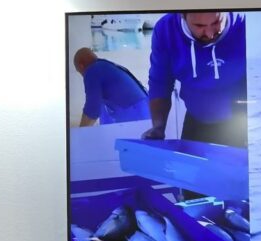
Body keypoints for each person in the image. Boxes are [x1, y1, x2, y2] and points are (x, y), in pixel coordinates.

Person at [141, 11, 247, 147]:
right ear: (182, 15)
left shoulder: (243, 23)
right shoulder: (166, 30)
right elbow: (160, 83)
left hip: (240, 123)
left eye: (216, 22)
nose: (210, 34)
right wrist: (158, 128)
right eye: (199, 26)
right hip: (195, 121)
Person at [73, 47, 150, 127]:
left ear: (81, 66)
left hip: (134, 111)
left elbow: (92, 109)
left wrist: (80, 131)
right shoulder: (105, 66)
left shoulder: (92, 71)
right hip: (144, 108)